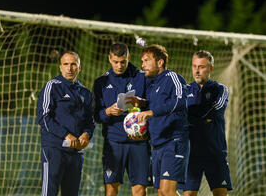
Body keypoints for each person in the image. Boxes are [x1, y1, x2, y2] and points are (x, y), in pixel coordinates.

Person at [128, 44, 190, 196]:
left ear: (160, 62)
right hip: (157, 145)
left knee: (168, 192)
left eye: (147, 60)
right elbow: (153, 109)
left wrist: (150, 112)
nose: (143, 65)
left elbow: (180, 102)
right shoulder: (152, 85)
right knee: (162, 193)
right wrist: (141, 104)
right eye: (142, 61)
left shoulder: (172, 78)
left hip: (173, 141)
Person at [92, 43, 151, 196]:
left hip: (139, 142)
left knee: (139, 189)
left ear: (128, 58)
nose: (119, 65)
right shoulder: (101, 82)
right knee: (111, 188)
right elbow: (96, 116)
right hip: (114, 142)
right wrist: (108, 111)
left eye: (123, 62)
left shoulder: (141, 77)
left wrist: (141, 102)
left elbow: (153, 105)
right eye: (115, 62)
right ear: (109, 59)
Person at [37, 51, 95, 196]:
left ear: (79, 67)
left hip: (76, 152)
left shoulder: (86, 93)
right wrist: (66, 135)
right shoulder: (52, 86)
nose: (70, 68)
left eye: (73, 64)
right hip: (54, 149)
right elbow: (43, 117)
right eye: (66, 64)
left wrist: (87, 134)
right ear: (60, 67)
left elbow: (90, 121)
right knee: (49, 192)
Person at [178, 50, 233, 196]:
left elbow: (216, 110)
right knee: (189, 194)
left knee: (220, 193)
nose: (197, 70)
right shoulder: (185, 90)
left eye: (201, 67)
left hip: (214, 152)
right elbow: (179, 114)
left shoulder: (220, 89)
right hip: (192, 153)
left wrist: (191, 116)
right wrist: (201, 118)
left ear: (210, 69)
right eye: (194, 66)